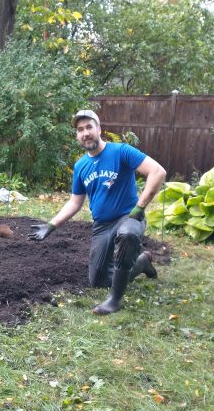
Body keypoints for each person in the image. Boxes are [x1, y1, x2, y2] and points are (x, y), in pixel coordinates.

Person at [28, 109, 166, 315]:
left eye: (89, 127)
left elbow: (157, 171)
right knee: (99, 281)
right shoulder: (81, 166)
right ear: (77, 135)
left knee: (127, 234)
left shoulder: (121, 151)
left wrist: (140, 207)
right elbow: (75, 202)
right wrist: (51, 225)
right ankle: (143, 262)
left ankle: (115, 300)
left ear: (99, 129)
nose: (85, 133)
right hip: (102, 226)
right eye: (80, 130)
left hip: (129, 217)